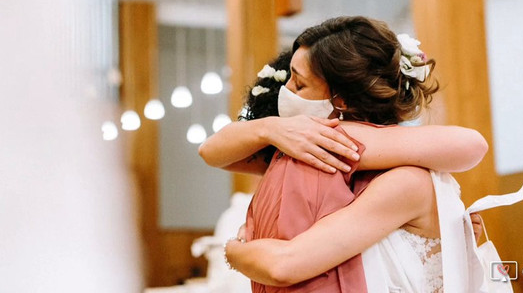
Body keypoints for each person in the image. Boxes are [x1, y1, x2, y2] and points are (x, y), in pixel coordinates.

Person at [199, 16, 489, 292]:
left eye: (299, 83)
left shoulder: (393, 175)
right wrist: (271, 128)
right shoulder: (303, 153)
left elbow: (283, 265)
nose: (285, 91)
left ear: (342, 100)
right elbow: (212, 152)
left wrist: (235, 249)